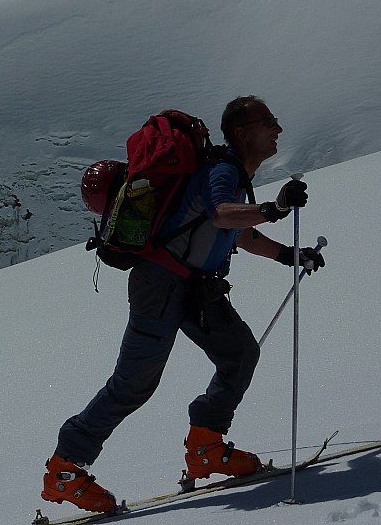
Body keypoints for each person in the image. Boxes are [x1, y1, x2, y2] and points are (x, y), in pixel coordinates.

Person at [42, 96, 325, 512]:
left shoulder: (232, 175)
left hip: (192, 287)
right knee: (134, 384)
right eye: (268, 122)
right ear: (242, 132)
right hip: (159, 285)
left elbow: (237, 232)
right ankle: (64, 469)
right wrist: (274, 207)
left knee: (240, 353)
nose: (277, 128)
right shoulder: (223, 171)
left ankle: (206, 446)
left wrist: (289, 255)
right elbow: (223, 216)